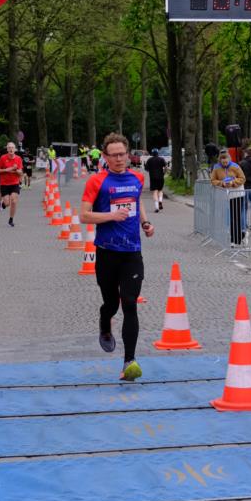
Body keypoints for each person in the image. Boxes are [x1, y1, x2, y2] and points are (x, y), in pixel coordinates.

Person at [80, 132, 154, 382]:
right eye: (114, 155)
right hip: (107, 252)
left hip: (132, 252)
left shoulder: (137, 177)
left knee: (130, 303)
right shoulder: (96, 182)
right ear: (105, 157)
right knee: (111, 304)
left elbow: (137, 202)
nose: (120, 159)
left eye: (123, 154)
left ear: (128, 153)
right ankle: (105, 323)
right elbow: (84, 216)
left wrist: (146, 222)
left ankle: (129, 361)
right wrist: (111, 216)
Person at [210, 148, 246, 244]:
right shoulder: (216, 168)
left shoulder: (235, 166)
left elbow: (242, 178)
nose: (225, 163)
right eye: (223, 161)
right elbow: (213, 180)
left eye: (226, 161)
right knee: (231, 216)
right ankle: (238, 236)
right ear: (220, 160)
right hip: (225, 195)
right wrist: (221, 183)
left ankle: (236, 239)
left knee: (236, 216)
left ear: (229, 159)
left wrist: (233, 182)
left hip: (237, 194)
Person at [0, 141, 23, 227]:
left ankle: (11, 219)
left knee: (14, 201)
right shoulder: (3, 158)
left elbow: (21, 172)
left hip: (14, 183)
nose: (11, 149)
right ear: (7, 149)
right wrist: (6, 170)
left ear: (15, 149)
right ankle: (3, 204)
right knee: (7, 203)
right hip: (4, 184)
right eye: (9, 147)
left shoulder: (18, 159)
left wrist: (17, 171)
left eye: (12, 147)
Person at [145, 148, 167, 212]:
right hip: (160, 177)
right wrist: (164, 173)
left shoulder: (149, 160)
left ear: (152, 153)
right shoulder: (161, 159)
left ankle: (157, 207)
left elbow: (146, 169)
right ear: (158, 153)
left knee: (155, 192)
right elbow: (165, 167)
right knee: (160, 190)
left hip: (152, 178)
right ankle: (160, 200)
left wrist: (151, 170)